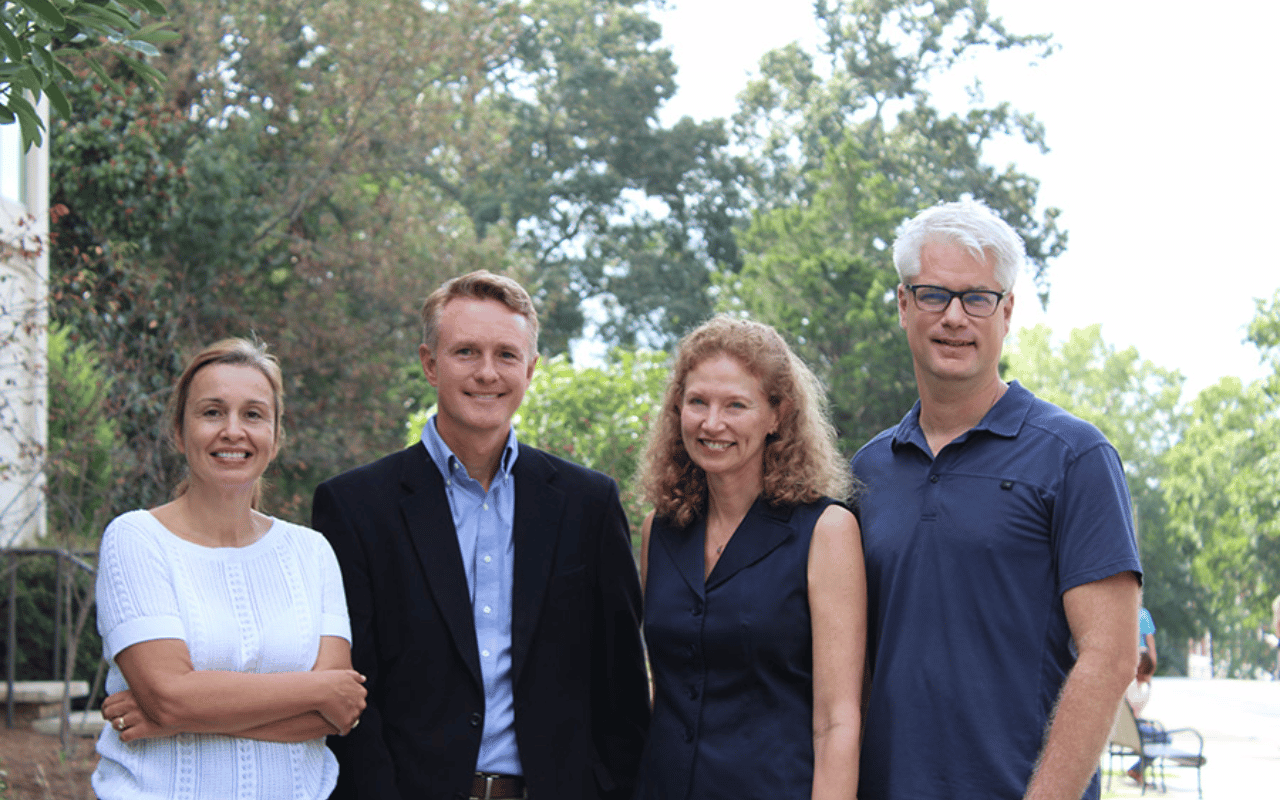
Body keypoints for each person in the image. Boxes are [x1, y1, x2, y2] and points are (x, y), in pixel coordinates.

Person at [311, 270, 649, 800]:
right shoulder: (355, 507)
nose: (487, 373)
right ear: (430, 363)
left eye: (507, 355)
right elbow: (351, 690)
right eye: (466, 352)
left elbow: (622, 690)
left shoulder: (590, 505)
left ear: (531, 370)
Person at [852, 199, 1142, 800]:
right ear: (903, 306)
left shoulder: (1075, 457)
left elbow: (1111, 656)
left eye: (977, 298)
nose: (954, 317)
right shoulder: (868, 470)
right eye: (933, 295)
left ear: (1006, 312)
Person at [92, 338, 366, 800]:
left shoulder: (312, 552)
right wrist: (173, 708)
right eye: (212, 412)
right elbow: (169, 696)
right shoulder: (137, 538)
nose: (233, 431)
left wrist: (174, 721)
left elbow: (337, 710)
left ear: (276, 438)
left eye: (253, 414)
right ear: (180, 433)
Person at [632, 315, 866, 800]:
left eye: (736, 405)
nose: (712, 423)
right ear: (678, 407)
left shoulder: (826, 531)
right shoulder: (660, 529)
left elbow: (837, 721)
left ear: (776, 414)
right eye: (697, 402)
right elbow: (664, 686)